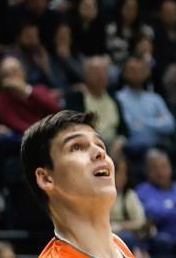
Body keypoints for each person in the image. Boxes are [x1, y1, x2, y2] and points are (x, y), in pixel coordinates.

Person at [20, 110, 134, 257]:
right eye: (77, 147)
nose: (100, 152)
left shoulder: (119, 245)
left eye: (100, 144)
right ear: (46, 178)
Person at [134, 148, 176, 255]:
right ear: (147, 171)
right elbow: (154, 212)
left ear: (170, 167)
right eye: (155, 168)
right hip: (166, 243)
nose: (160, 171)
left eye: (164, 166)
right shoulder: (143, 190)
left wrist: (170, 204)